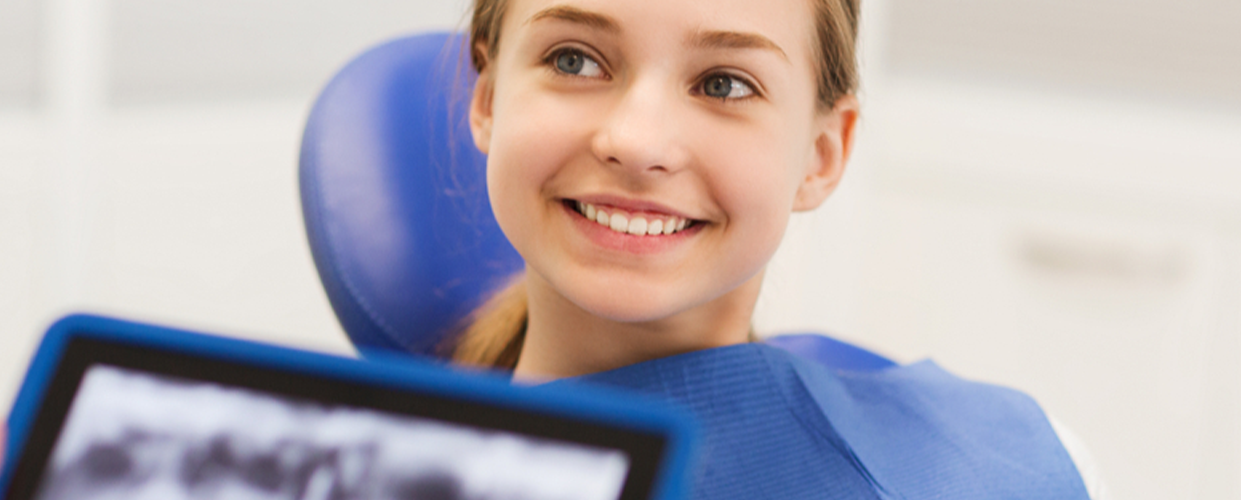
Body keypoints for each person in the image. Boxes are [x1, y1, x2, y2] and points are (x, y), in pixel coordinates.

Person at [446, 0, 1106, 498]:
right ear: (489, 97)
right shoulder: (367, 466)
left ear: (823, 155)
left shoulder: (1005, 469)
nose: (638, 141)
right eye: (574, 60)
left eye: (725, 84)